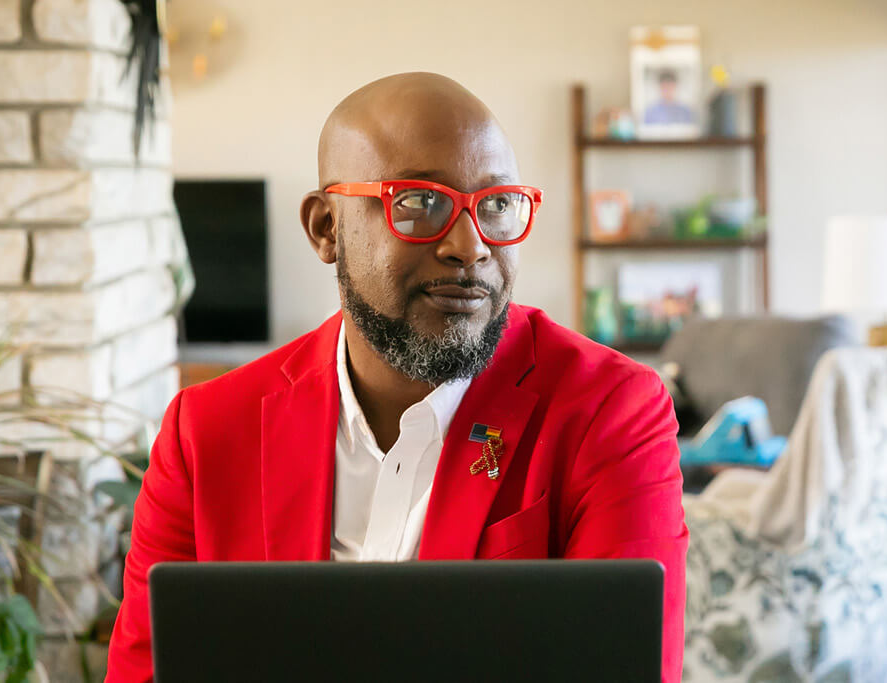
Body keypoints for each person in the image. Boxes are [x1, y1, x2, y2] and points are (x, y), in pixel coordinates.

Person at [105, 72, 688, 682]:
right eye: (419, 202)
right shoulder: (207, 431)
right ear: (325, 228)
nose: (471, 245)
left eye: (495, 205)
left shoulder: (609, 411)